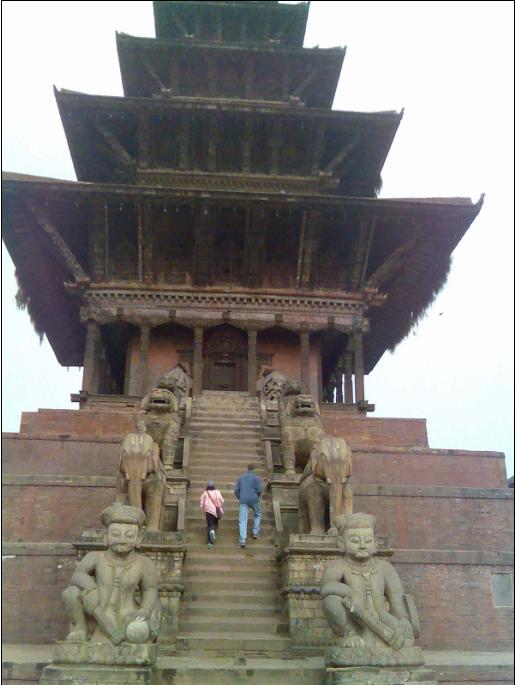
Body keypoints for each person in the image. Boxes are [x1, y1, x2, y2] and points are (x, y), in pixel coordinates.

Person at [61, 504, 160, 645]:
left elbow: (149, 590)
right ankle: (80, 628)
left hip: (128, 618)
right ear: (106, 537)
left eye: (129, 536)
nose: (122, 540)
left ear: (139, 539)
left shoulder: (144, 563)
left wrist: (144, 611)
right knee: (71, 593)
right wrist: (92, 589)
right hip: (97, 614)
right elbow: (77, 576)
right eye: (115, 534)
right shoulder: (95, 557)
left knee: (139, 631)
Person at [320, 512, 414, 652]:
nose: (363, 546)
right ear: (341, 543)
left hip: (383, 619)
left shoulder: (385, 568)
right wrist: (350, 593)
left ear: (375, 544)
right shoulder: (337, 567)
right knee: (331, 600)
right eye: (355, 541)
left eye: (368, 541)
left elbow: (397, 603)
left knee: (406, 639)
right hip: (355, 620)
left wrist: (403, 619)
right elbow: (326, 588)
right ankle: (348, 635)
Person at [234, 464, 263, 548]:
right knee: (257, 514)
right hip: (254, 498)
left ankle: (243, 540)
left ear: (247, 469)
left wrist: (240, 497)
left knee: (243, 520)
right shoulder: (256, 478)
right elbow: (259, 490)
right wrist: (256, 496)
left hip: (243, 499)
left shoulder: (241, 478)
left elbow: (236, 490)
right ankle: (255, 532)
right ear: (254, 469)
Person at [199, 481, 224, 549]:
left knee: (209, 525)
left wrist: (202, 509)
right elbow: (222, 500)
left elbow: (201, 502)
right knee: (215, 524)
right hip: (215, 511)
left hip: (208, 511)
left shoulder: (205, 493)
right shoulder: (217, 492)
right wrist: (219, 505)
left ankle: (209, 542)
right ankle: (213, 531)